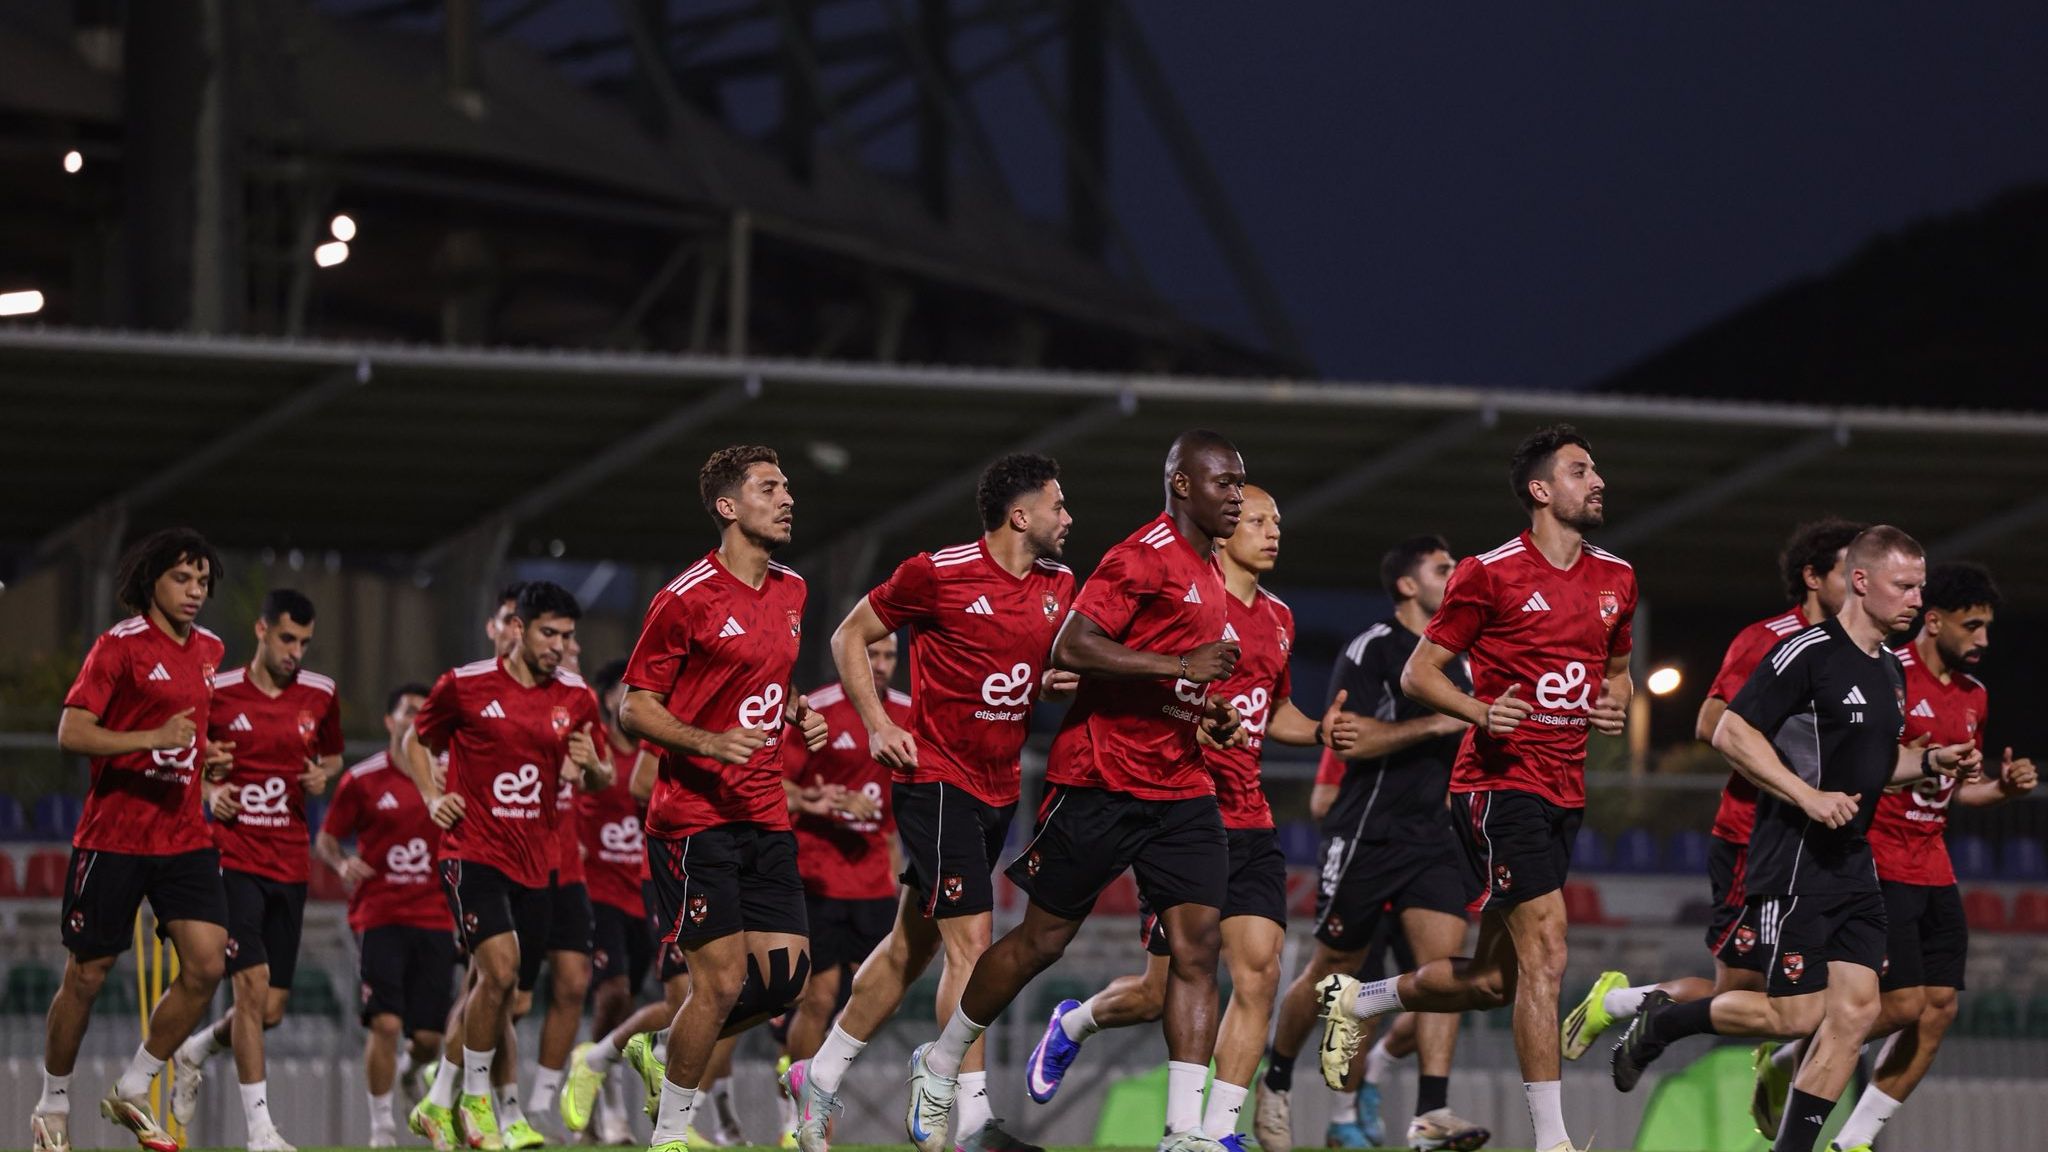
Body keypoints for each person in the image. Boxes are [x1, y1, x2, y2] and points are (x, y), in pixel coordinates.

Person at [902, 430, 1249, 1152]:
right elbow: (1073, 647)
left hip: (1180, 787)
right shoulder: (1141, 555)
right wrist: (1181, 664)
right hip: (1100, 779)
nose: (1238, 497)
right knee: (1039, 943)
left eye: (1242, 483)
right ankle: (939, 1065)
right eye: (1224, 483)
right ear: (1182, 485)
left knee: (1198, 947)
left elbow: (1174, 681)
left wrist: (1205, 708)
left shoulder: (1211, 571)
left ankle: (1184, 1131)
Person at [1312, 424, 1637, 1152]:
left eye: (1596, 470)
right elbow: (1418, 674)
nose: (1599, 481)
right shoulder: (1490, 573)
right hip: (1497, 785)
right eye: (1582, 470)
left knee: (1496, 982)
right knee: (1549, 952)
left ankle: (1362, 1000)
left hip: (1565, 787)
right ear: (1541, 490)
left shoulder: (1618, 577)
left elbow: (1617, 670)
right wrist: (1481, 711)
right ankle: (1552, 1142)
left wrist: (1617, 702)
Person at [1607, 527, 1980, 1152]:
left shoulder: (1889, 669)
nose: (1918, 598)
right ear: (1861, 582)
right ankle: (1665, 1022)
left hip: (1854, 861)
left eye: (1921, 585)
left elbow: (1873, 764)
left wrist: (1933, 762)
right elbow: (1730, 731)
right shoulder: (1804, 652)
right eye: (1905, 585)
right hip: (1795, 857)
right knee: (1797, 1017)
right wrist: (1806, 796)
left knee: (1857, 1013)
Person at [1029, 487, 1367, 1149]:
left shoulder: (1278, 617)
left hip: (1249, 814)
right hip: (1176, 811)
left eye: (1279, 521)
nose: (1274, 532)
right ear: (1224, 527)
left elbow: (1275, 713)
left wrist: (1324, 730)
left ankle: (1216, 1134)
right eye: (1261, 520)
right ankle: (1074, 1024)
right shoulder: (1180, 593)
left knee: (1261, 971)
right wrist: (1063, 680)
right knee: (1163, 992)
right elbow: (1096, 653)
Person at [777, 451, 1075, 1152]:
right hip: (934, 777)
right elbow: (849, 634)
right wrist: (880, 722)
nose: (1069, 518)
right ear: (1019, 515)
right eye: (1058, 505)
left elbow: (1030, 661)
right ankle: (967, 1112)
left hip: (999, 787)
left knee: (909, 947)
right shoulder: (936, 573)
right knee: (971, 944)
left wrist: (1049, 679)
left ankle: (816, 1079)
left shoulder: (1061, 584)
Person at [1560, 518, 1863, 1060]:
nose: (1862, 584)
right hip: (1755, 840)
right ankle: (1621, 1003)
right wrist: (1793, 783)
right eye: (1850, 572)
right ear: (1813, 577)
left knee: (1813, 998)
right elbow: (1711, 722)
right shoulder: (1768, 641)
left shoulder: (1857, 656)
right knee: (1746, 996)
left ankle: (1774, 1062)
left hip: (1817, 847)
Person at [599, 445, 830, 1152]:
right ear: (729, 507)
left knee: (788, 982)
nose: (787, 498)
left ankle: (660, 1046)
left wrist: (795, 712)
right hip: (695, 820)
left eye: (787, 486)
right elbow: (636, 709)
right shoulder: (685, 598)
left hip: (764, 812)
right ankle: (671, 1134)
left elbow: (763, 678)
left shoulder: (793, 590)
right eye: (769, 487)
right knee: (723, 983)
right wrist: (707, 742)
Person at [1792, 562, 2035, 1152]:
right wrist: (1914, 761)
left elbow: (1953, 790)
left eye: (1987, 627)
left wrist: (2000, 788)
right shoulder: (1887, 675)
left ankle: (1854, 1141)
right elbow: (1863, 770)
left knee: (1940, 1009)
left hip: (1933, 864)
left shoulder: (1974, 695)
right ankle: (1791, 1052)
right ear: (1933, 621)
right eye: (1971, 625)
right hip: (1878, 858)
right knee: (1902, 1005)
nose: (1982, 639)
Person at [1256, 535, 1488, 1152]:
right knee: (1332, 968)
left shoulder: (1459, 660)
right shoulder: (1374, 649)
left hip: (1433, 838)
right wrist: (1440, 719)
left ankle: (1431, 1112)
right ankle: (1276, 1077)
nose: (1455, 574)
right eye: (1443, 568)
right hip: (1367, 831)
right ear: (1409, 585)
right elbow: (1350, 739)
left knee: (1443, 973)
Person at [35, 528, 232, 1152]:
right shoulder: (117, 647)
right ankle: (51, 1106)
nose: (196, 591)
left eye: (203, 581)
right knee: (86, 977)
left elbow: (189, 737)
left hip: (183, 835)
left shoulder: (211, 649)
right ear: (151, 582)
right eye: (183, 578)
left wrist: (207, 765)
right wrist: (149, 738)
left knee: (207, 964)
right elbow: (71, 731)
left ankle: (133, 1085)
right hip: (115, 837)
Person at [405, 581, 608, 1151]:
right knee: (497, 971)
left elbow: (603, 777)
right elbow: (414, 740)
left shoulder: (577, 697)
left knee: (506, 993)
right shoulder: (465, 685)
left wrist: (591, 767)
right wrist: (429, 795)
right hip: (471, 852)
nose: (559, 646)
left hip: (537, 863)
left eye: (567, 636)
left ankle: (437, 1100)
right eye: (549, 633)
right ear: (517, 628)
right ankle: (479, 1104)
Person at [171, 590, 345, 1151]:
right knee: (251, 988)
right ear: (262, 631)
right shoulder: (217, 692)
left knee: (268, 1010)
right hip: (233, 859)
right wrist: (210, 791)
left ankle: (196, 1048)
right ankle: (261, 1132)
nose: (296, 652)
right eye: (287, 639)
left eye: (305, 643)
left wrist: (325, 777)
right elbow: (184, 761)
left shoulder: (321, 695)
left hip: (290, 864)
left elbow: (333, 755)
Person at [773, 637, 908, 1147]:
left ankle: (809, 1079)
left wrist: (900, 881)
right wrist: (818, 800)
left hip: (875, 881)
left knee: (879, 999)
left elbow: (896, 819)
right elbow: (774, 785)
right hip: (819, 877)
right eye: (871, 654)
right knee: (820, 998)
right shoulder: (819, 713)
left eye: (889, 656)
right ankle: (803, 1115)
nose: (880, 664)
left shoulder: (907, 715)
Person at [315, 683, 458, 1148]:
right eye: (409, 711)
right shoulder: (363, 780)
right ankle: (382, 1128)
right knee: (386, 1023)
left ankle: (409, 1073)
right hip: (379, 916)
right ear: (390, 722)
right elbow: (327, 837)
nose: (416, 719)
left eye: (424, 713)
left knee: (430, 1040)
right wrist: (340, 863)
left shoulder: (444, 777)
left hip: (436, 917)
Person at [575, 661, 657, 1146]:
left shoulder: (656, 750)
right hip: (598, 891)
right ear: (609, 699)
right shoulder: (594, 751)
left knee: (635, 997)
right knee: (613, 994)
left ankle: (594, 1080)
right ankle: (608, 1110)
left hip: (646, 889)